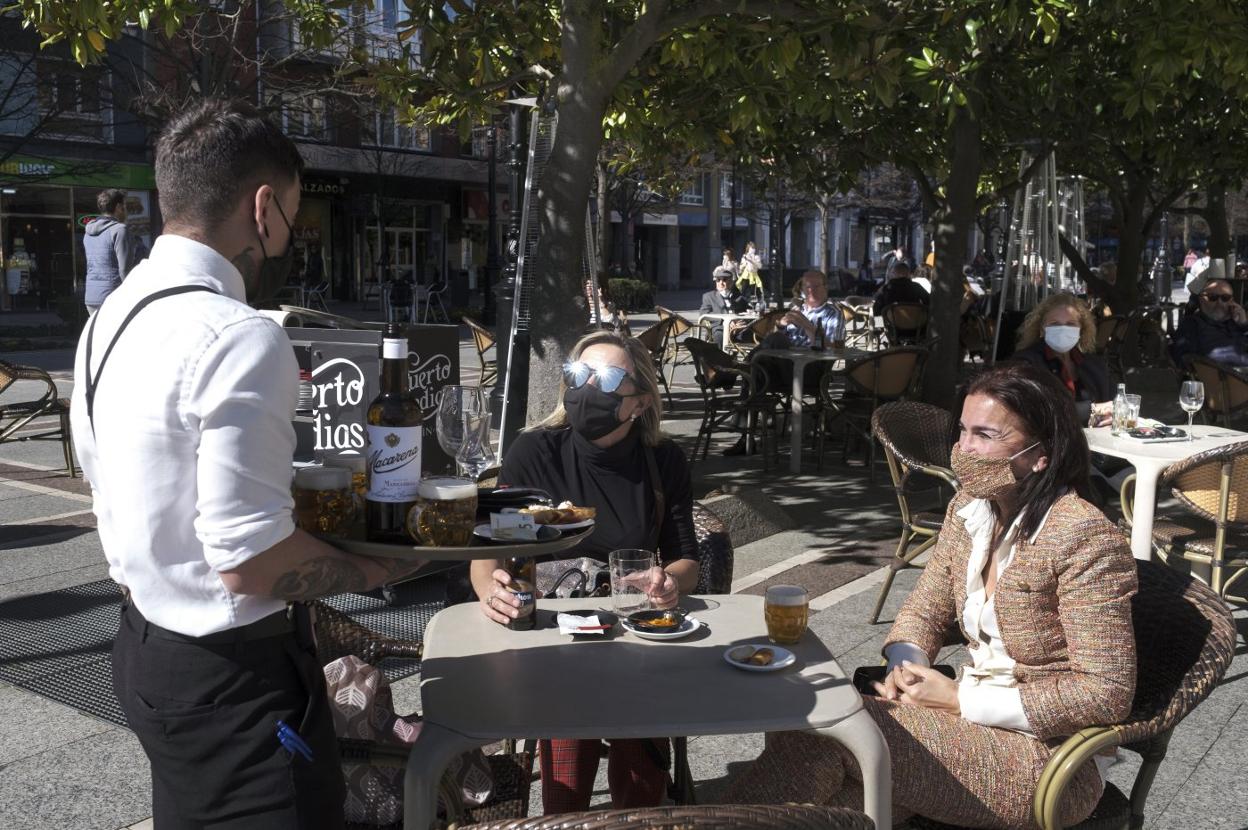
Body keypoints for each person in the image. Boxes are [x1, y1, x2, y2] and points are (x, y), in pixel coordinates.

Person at [70, 98, 426, 829]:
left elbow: (127, 473)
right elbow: (250, 561)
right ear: (263, 208)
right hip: (235, 677)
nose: (287, 238)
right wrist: (382, 568)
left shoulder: (110, 316)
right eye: (293, 218)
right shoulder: (240, 335)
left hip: (145, 651)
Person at [725, 362, 1137, 828]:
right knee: (826, 787)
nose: (964, 450)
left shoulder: (1083, 538)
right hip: (965, 728)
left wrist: (960, 699)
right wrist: (906, 667)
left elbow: (1106, 693)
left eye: (985, 434)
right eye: (962, 431)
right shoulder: (970, 508)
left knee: (827, 727)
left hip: (1048, 761)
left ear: (1042, 453)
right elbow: (927, 604)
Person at [471, 330, 698, 814]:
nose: (587, 387)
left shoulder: (661, 462)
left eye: (608, 377)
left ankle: (637, 819)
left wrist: (669, 582)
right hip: (553, 631)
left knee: (638, 727)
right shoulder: (535, 453)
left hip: (634, 629)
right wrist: (492, 589)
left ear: (638, 402)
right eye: (579, 374)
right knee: (569, 717)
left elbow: (685, 558)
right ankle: (565, 818)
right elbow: (492, 548)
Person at [1010, 292, 1113, 426]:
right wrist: (1093, 411)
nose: (1063, 329)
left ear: (1081, 329)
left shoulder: (1094, 365)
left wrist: (1112, 412)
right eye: (1054, 324)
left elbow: (1114, 401)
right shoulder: (1026, 364)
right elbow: (1035, 411)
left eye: (1070, 324)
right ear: (1042, 328)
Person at [83, 189, 142, 314]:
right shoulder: (120, 230)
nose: (126, 211)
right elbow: (124, 269)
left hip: (91, 297)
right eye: (125, 206)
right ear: (119, 207)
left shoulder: (88, 232)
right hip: (112, 296)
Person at [1171, 277, 1248, 368]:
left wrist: (1244, 325)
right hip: (1222, 377)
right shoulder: (1192, 324)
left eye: (1225, 298)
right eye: (1213, 297)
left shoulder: (1238, 323)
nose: (1219, 303)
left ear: (1232, 301)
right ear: (1201, 299)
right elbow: (1184, 361)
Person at [700, 267, 748, 345]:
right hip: (720, 328)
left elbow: (748, 311)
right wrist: (725, 322)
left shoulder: (739, 297)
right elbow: (703, 314)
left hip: (738, 328)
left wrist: (741, 322)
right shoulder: (709, 296)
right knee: (720, 335)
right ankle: (721, 357)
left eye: (724, 280)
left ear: (731, 282)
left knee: (752, 334)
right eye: (718, 280)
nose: (721, 283)